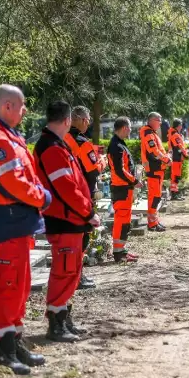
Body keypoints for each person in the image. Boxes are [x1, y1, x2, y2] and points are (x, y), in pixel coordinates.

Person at [0, 84, 52, 375]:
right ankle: (1, 349)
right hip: (6, 223)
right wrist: (42, 197)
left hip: (17, 223)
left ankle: (14, 341)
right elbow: (14, 182)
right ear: (8, 106)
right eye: (21, 106)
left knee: (19, 287)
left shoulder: (7, 136)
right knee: (7, 287)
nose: (25, 112)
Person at [33, 101, 100, 343]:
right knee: (64, 271)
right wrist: (88, 212)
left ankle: (62, 315)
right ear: (68, 120)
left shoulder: (56, 144)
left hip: (70, 218)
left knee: (70, 270)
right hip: (64, 218)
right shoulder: (51, 147)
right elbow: (66, 188)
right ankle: (56, 322)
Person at [64, 105, 105, 290]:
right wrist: (102, 162)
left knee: (69, 238)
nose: (88, 123)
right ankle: (76, 277)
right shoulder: (82, 142)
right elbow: (93, 171)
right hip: (82, 195)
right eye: (88, 120)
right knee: (82, 237)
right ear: (80, 120)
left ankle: (70, 275)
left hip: (65, 193)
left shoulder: (62, 139)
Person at [109, 117, 143, 262]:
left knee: (124, 221)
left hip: (124, 188)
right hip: (121, 189)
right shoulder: (116, 146)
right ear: (124, 128)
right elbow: (120, 170)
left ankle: (121, 250)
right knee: (121, 221)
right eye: (129, 128)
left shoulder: (119, 144)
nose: (130, 130)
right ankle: (118, 253)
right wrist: (134, 181)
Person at [140, 112, 171, 231]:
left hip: (157, 169)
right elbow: (154, 152)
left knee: (156, 196)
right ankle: (152, 223)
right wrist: (166, 159)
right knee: (154, 197)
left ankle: (154, 221)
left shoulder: (151, 132)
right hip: (154, 169)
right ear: (152, 120)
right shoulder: (148, 133)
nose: (160, 122)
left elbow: (157, 151)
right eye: (159, 120)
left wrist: (166, 157)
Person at [168, 118, 189, 200]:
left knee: (176, 176)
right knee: (175, 176)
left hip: (176, 157)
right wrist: (185, 154)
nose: (181, 126)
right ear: (178, 126)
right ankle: (174, 194)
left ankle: (175, 193)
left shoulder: (174, 133)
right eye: (180, 125)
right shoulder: (175, 135)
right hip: (176, 158)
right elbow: (179, 146)